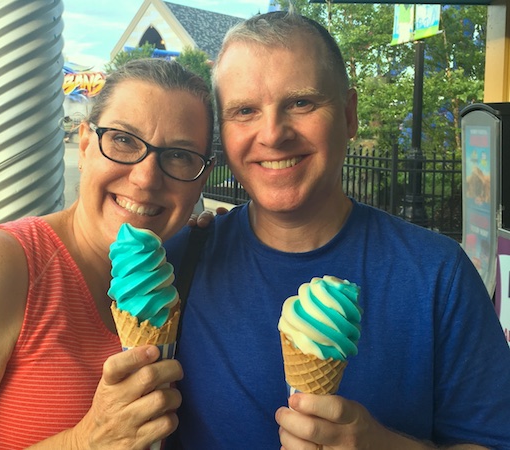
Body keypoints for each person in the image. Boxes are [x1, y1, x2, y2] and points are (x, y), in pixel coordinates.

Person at [164, 11, 510, 450]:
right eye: (245, 111)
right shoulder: (177, 267)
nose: (272, 134)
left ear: (349, 115)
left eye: (301, 103)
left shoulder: (438, 275)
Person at [0, 58, 216, 449]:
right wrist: (83, 442)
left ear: (201, 178)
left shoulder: (179, 266)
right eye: (123, 140)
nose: (145, 178)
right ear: (85, 145)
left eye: (178, 155)